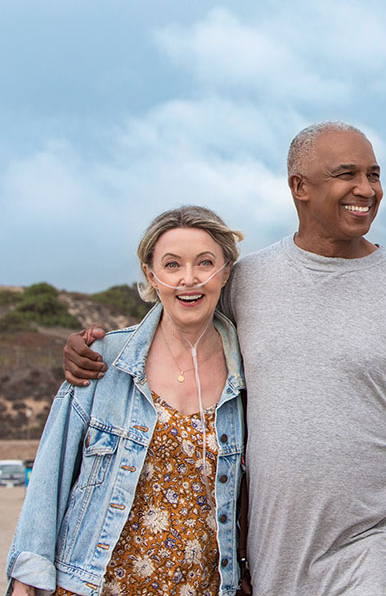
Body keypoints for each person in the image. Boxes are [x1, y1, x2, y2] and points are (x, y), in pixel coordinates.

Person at [62, 122, 386, 595]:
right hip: (275, 557)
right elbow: (172, 345)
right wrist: (94, 351)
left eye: (373, 175)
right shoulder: (247, 282)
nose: (366, 189)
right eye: (347, 174)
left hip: (383, 546)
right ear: (299, 187)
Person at [8, 206, 246, 595]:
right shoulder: (104, 359)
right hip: (94, 585)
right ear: (151, 275)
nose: (189, 279)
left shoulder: (247, 373)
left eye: (205, 263)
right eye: (172, 265)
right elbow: (50, 478)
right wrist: (25, 583)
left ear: (226, 272)